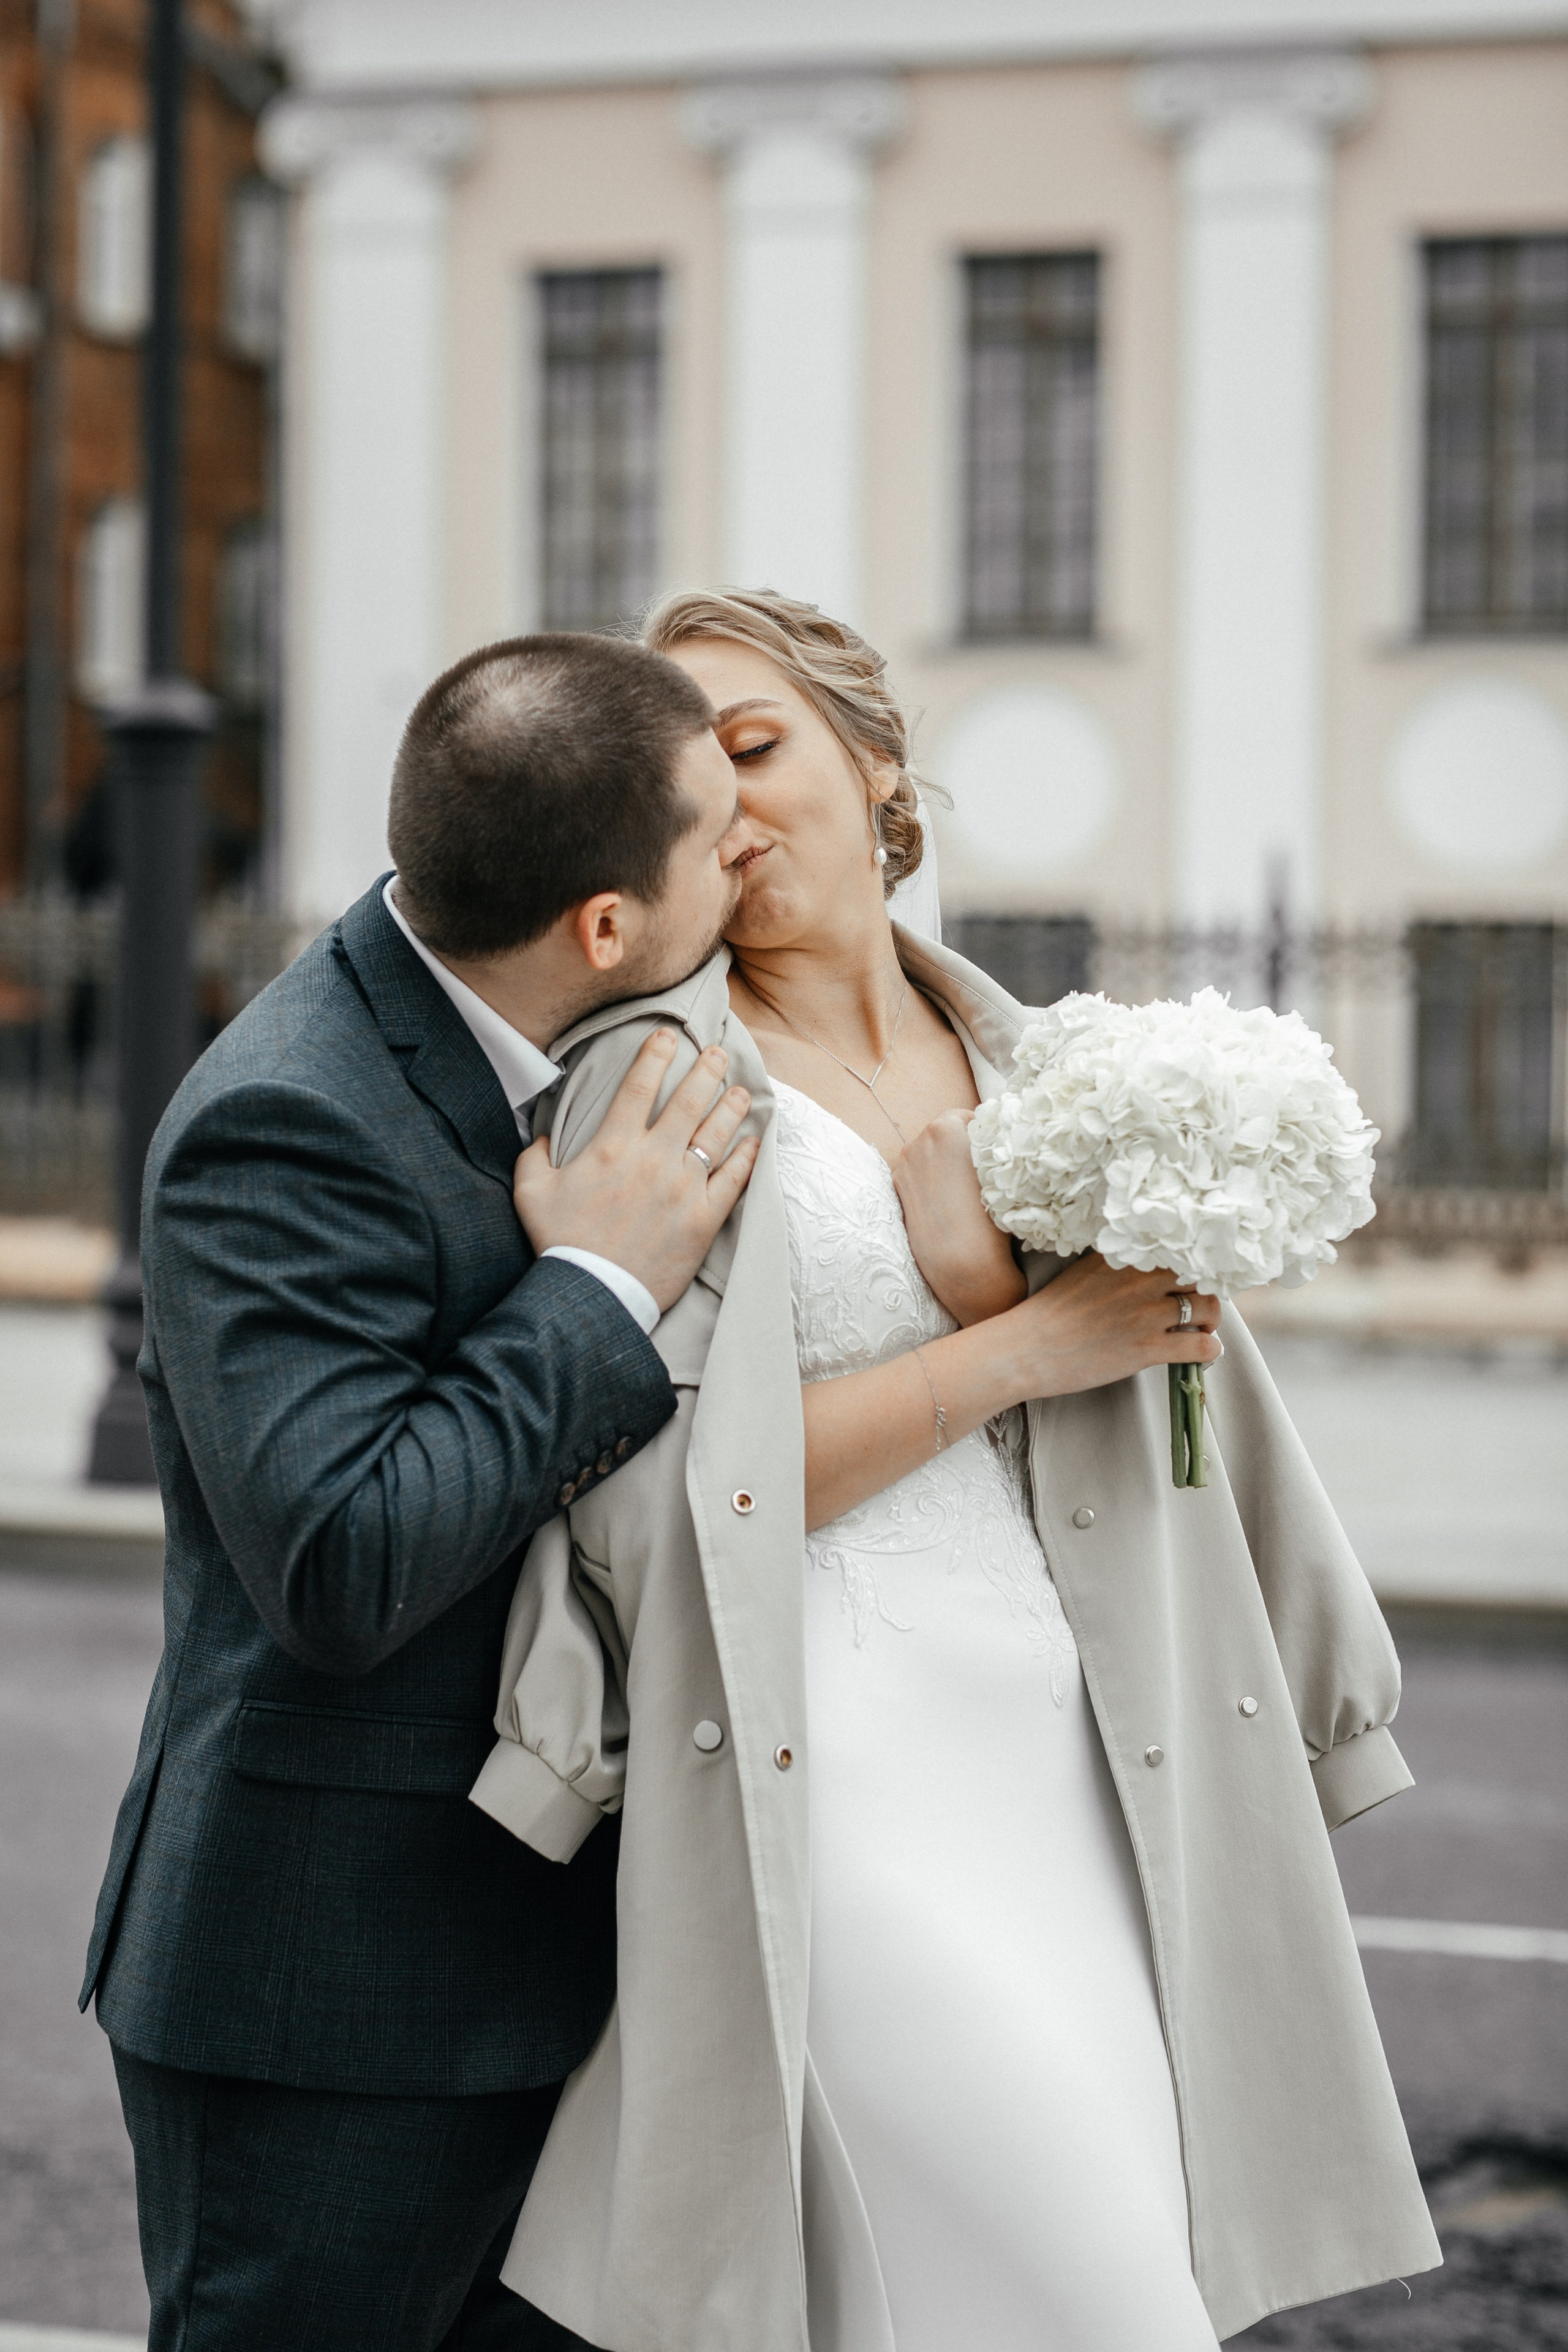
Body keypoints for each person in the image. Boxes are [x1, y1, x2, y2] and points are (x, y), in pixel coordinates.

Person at [473, 589, 1442, 2352]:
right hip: (830, 1764)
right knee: (1100, 2300)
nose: (723, 810)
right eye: (679, 784)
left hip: (1084, 1749)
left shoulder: (1040, 1063)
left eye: (754, 746)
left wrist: (1004, 1295)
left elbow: (1182, 1404)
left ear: (876, 761)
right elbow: (672, 1504)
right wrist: (1016, 1344)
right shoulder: (654, 1084)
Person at [81, 633, 765, 2351]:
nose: (748, 852)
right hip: (332, 2005)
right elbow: (347, 1557)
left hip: (541, 1973)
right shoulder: (284, 1121)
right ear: (602, 925)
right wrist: (596, 1290)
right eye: (717, 835)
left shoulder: (553, 1031)